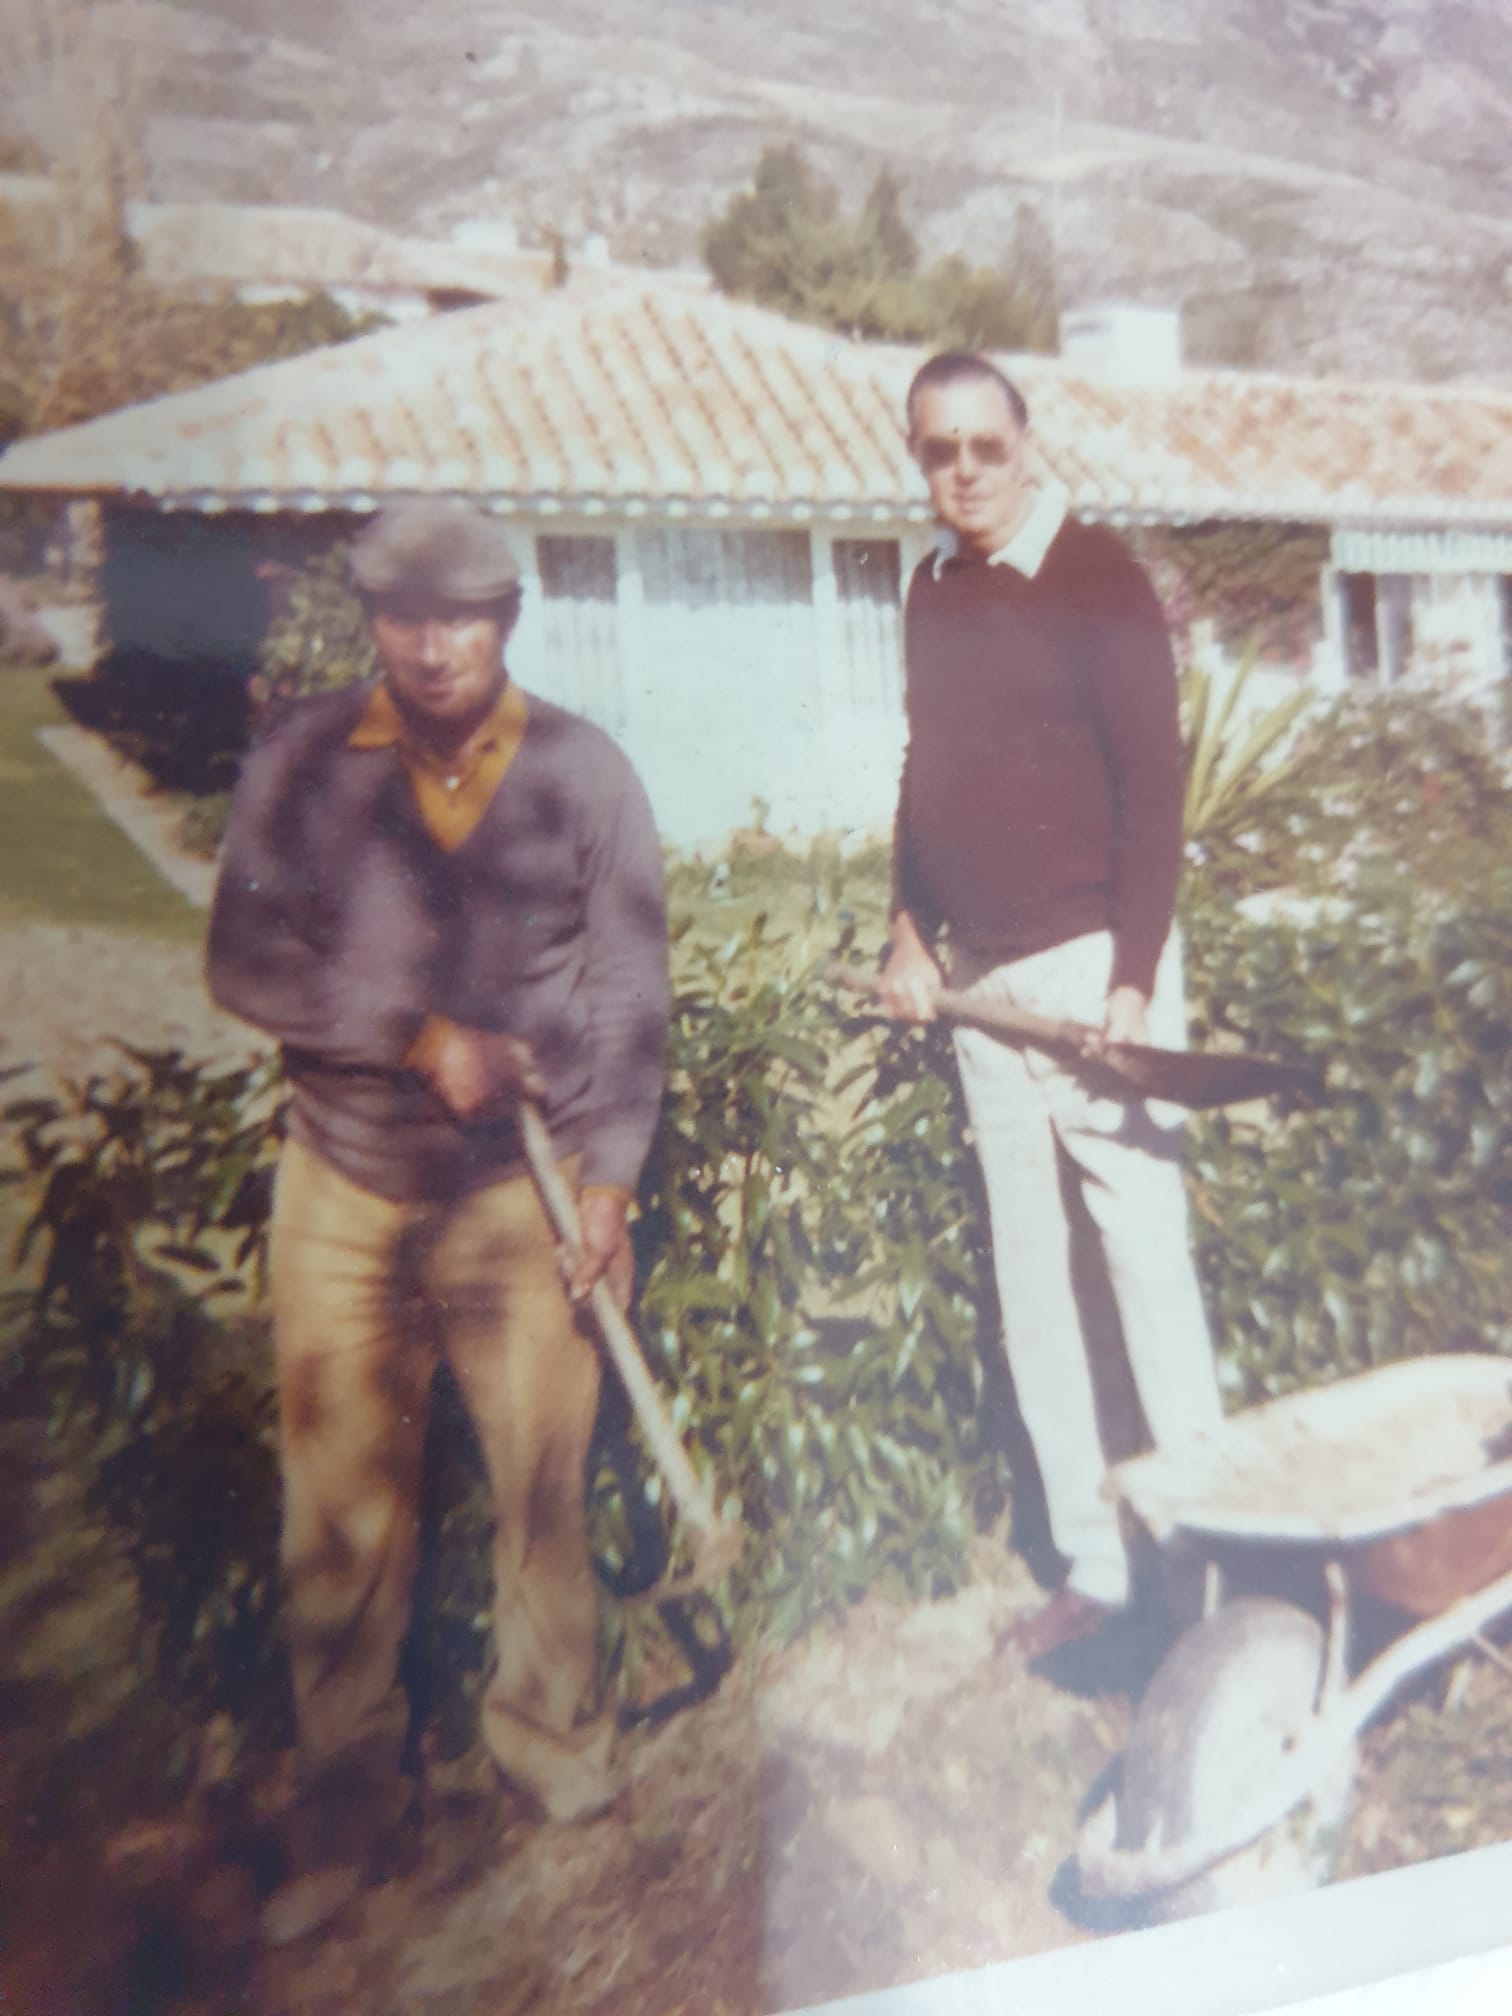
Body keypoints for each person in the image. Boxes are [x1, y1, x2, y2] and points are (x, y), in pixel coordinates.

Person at [207, 498, 669, 1900]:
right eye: (405, 616)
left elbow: (628, 987)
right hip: (342, 1181)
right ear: (373, 625)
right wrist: (421, 1038)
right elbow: (245, 956)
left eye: (461, 614)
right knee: (339, 1501)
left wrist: (610, 1180)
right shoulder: (301, 759)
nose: (432, 644)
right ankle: (349, 1799)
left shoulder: (586, 774)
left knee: (540, 1486)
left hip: (515, 1199)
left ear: (507, 619)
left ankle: (554, 1757)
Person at [880, 351, 1222, 1660]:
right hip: (980, 986)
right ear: (917, 457)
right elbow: (925, 767)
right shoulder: (933, 590)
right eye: (936, 450)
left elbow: (1156, 799)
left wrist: (1135, 982)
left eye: (982, 445)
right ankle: (1094, 1564)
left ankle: (1202, 1561)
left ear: (1025, 442)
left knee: (1143, 1262)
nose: (961, 470)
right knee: (1035, 1281)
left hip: (1094, 974)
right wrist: (910, 931)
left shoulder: (1102, 582)